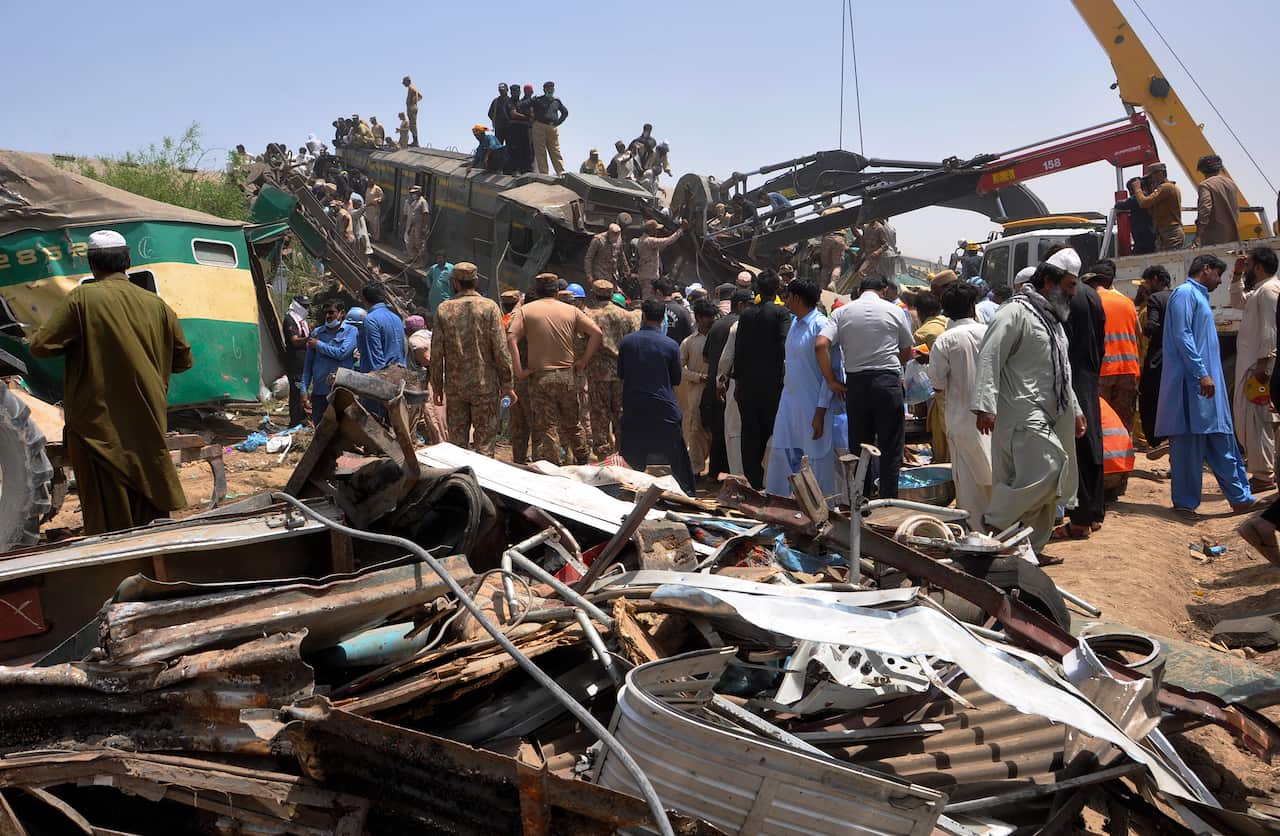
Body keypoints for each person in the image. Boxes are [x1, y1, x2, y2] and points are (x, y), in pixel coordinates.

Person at [29, 231, 191, 534]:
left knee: (108, 520)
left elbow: (41, 346)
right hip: (147, 425)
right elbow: (183, 359)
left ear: (92, 264)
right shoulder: (156, 305)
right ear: (127, 261)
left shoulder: (82, 299)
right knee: (150, 510)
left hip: (98, 431)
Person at [972, 253, 1087, 558]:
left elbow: (1062, 369)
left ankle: (1029, 551)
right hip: (1021, 410)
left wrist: (1074, 409)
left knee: (1047, 488)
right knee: (1049, 468)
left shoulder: (1052, 319)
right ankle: (996, 522)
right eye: (1069, 284)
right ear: (1048, 282)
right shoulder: (1015, 312)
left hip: (1053, 411)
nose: (1074, 292)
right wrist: (985, 405)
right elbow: (989, 355)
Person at [1156, 254, 1255, 516]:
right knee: (1189, 447)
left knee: (1221, 440)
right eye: (1218, 274)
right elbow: (1182, 335)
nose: (1219, 281)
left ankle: (1240, 498)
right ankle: (1186, 504)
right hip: (1193, 387)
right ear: (1206, 269)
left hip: (1207, 389)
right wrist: (1201, 373)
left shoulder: (1199, 297)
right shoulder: (1185, 294)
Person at [817, 275, 913, 499]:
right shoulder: (895, 310)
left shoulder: (842, 312)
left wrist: (831, 381)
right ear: (884, 290)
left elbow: (821, 345)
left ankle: (863, 502)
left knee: (860, 448)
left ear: (860, 290)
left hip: (856, 385)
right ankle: (889, 501)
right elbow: (907, 351)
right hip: (887, 382)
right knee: (891, 447)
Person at [507, 273, 602, 464]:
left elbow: (511, 338)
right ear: (557, 290)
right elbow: (596, 333)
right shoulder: (571, 311)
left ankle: (554, 464)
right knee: (572, 422)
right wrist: (583, 361)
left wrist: (519, 371)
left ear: (536, 290)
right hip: (567, 375)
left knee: (547, 426)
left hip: (540, 377)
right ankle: (582, 458)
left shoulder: (527, 311)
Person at [763, 279, 841, 498]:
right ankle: (781, 503)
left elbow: (830, 374)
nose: (785, 300)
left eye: (787, 296)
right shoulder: (795, 324)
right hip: (790, 402)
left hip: (813, 404)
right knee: (783, 452)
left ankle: (822, 507)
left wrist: (820, 410)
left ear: (796, 298)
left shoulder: (820, 325)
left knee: (816, 458)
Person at [431, 263, 516, 456]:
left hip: (455, 388)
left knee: (457, 446)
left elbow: (436, 353)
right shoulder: (490, 307)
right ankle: (481, 485)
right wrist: (508, 384)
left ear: (455, 283)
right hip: (484, 387)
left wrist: (437, 386)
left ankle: (461, 483)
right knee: (485, 445)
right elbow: (501, 350)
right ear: (476, 281)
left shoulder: (444, 309)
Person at [927, 283, 992, 523]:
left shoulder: (945, 340)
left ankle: (977, 531)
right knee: (996, 471)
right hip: (996, 417)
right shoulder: (990, 332)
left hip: (962, 419)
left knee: (968, 480)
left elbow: (937, 383)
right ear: (972, 307)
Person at [617, 300, 697, 494]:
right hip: (663, 407)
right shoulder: (670, 345)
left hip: (634, 405)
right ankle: (688, 493)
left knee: (631, 454)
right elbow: (676, 379)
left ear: (643, 316)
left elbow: (621, 373)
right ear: (663, 319)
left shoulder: (627, 342)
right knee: (677, 454)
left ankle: (627, 492)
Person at [728, 272, 791, 489]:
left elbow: (739, 350)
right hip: (773, 385)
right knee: (775, 434)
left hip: (747, 385)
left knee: (750, 436)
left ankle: (753, 483)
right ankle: (774, 483)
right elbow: (785, 346)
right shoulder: (781, 313)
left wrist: (737, 382)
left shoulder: (746, 315)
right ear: (777, 290)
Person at [1062, 251, 1106, 540]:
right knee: (1092, 443)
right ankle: (1095, 512)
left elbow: (1060, 342)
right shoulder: (1091, 294)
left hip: (1071, 376)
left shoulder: (1067, 296)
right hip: (1090, 373)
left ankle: (1079, 519)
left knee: (1076, 447)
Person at [1230, 246, 1280, 491]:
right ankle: (1263, 470)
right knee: (1250, 420)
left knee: (1259, 421)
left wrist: (1264, 365)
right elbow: (1237, 301)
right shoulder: (1259, 290)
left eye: (1248, 265)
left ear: (1259, 267)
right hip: (1252, 365)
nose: (1246, 269)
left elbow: (1271, 330)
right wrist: (1237, 275)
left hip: (1258, 368)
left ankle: (1263, 475)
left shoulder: (1270, 290)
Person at [584, 279, 638, 459]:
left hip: (597, 372)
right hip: (621, 372)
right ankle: (624, 453)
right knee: (622, 413)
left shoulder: (589, 316)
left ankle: (602, 455)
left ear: (594, 293)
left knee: (599, 415)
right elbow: (633, 343)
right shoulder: (627, 316)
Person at [702, 289, 752, 480]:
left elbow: (707, 356)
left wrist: (718, 381)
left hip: (720, 386)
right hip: (735, 385)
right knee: (736, 432)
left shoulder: (717, 326)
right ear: (741, 306)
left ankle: (717, 473)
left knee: (722, 431)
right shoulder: (742, 325)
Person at [1087, 260, 1141, 434]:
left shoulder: (1092, 302)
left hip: (1103, 370)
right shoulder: (1127, 302)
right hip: (1128, 370)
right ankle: (1124, 457)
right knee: (1123, 423)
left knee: (1101, 422)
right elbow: (1138, 335)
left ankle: (1104, 459)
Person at [300, 299, 358, 425]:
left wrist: (319, 345)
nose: (328, 316)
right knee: (320, 429)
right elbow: (308, 365)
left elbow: (342, 353)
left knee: (341, 429)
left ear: (341, 313)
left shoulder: (351, 331)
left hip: (341, 392)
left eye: (331, 312)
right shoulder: (317, 333)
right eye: (326, 313)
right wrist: (303, 390)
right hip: (320, 392)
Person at [679, 300, 717, 477]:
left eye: (712, 316)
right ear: (699, 318)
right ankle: (696, 470)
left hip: (717, 391)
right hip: (697, 392)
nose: (710, 320)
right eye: (706, 317)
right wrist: (697, 377)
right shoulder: (689, 342)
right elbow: (679, 368)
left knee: (714, 432)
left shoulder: (719, 337)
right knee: (696, 431)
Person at [1138, 266, 1174, 449]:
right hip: (1177, 359)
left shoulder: (1155, 299)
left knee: (1149, 401)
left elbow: (1151, 326)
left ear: (1155, 279)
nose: (1146, 287)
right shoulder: (1178, 296)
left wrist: (1144, 329)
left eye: (1147, 282)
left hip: (1158, 359)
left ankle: (1157, 440)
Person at [1133, 163, 1183, 251]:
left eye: (1151, 177)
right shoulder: (1164, 190)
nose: (1151, 180)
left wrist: (1137, 189)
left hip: (1170, 232)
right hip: (1164, 232)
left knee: (1170, 261)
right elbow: (1151, 211)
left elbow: (1144, 203)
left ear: (1160, 173)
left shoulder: (1166, 187)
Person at [1195, 154, 1240, 246]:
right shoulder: (1231, 183)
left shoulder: (1205, 185)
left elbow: (1205, 210)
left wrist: (1198, 236)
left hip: (1214, 239)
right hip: (1233, 236)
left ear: (1202, 170)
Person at [636, 219, 686, 301]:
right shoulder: (649, 241)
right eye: (656, 229)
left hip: (646, 274)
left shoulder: (642, 239)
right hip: (649, 277)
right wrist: (681, 229)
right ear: (652, 230)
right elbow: (668, 241)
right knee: (648, 300)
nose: (657, 231)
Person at [281, 294, 311, 427]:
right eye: (304, 306)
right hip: (295, 361)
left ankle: (302, 417)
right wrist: (309, 339)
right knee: (296, 392)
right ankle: (295, 421)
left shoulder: (302, 321)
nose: (307, 308)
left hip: (304, 360)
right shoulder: (290, 320)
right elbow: (294, 341)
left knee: (303, 391)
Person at [360, 284, 406, 371]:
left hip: (381, 377)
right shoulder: (397, 318)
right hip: (399, 372)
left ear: (365, 299)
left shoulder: (370, 320)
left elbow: (376, 357)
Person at [530, 81, 568, 175]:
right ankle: (544, 173)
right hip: (539, 126)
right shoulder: (538, 100)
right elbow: (522, 106)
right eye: (548, 88)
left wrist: (557, 123)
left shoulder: (556, 101)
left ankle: (561, 172)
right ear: (544, 90)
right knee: (541, 151)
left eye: (551, 88)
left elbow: (565, 112)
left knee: (555, 150)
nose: (550, 90)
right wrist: (531, 117)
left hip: (552, 128)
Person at [1115, 176, 1157, 255]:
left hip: (1144, 238)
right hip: (1151, 235)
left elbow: (1120, 205)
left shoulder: (1139, 198)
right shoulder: (1150, 196)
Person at [656, 279, 694, 344]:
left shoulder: (652, 310)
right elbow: (689, 335)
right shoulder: (683, 310)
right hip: (678, 351)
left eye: (652, 292)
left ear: (658, 292)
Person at [403, 185, 429, 266]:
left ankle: (421, 262)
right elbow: (409, 214)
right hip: (411, 226)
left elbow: (426, 214)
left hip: (419, 226)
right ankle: (412, 258)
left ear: (419, 193)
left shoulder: (423, 202)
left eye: (415, 193)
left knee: (419, 244)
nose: (413, 194)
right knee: (410, 242)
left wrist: (424, 227)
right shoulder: (412, 201)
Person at [422, 253, 453, 318]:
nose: (439, 260)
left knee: (445, 316)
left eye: (441, 258)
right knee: (435, 315)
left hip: (446, 297)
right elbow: (428, 277)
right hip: (434, 297)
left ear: (445, 259)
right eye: (438, 258)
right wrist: (431, 287)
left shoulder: (451, 268)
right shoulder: (433, 268)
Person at [402, 76, 423, 146]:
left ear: (408, 81)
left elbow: (419, 97)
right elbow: (420, 96)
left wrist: (412, 103)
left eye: (404, 82)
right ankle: (415, 141)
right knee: (412, 125)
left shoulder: (411, 88)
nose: (403, 84)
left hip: (411, 107)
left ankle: (415, 142)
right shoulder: (413, 87)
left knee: (412, 125)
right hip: (413, 107)